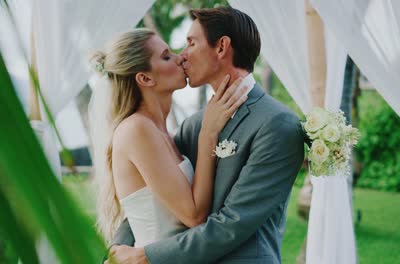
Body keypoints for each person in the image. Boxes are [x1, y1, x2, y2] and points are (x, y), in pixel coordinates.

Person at [109, 7, 304, 264]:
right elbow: (155, 192)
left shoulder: (278, 124)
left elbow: (233, 223)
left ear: (221, 47)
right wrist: (118, 247)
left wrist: (145, 256)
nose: (183, 56)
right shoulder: (195, 125)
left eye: (191, 43)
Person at [88, 28, 248, 260]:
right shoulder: (137, 129)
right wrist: (208, 135)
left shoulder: (161, 131)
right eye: (166, 56)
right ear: (145, 78)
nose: (180, 57)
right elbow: (193, 216)